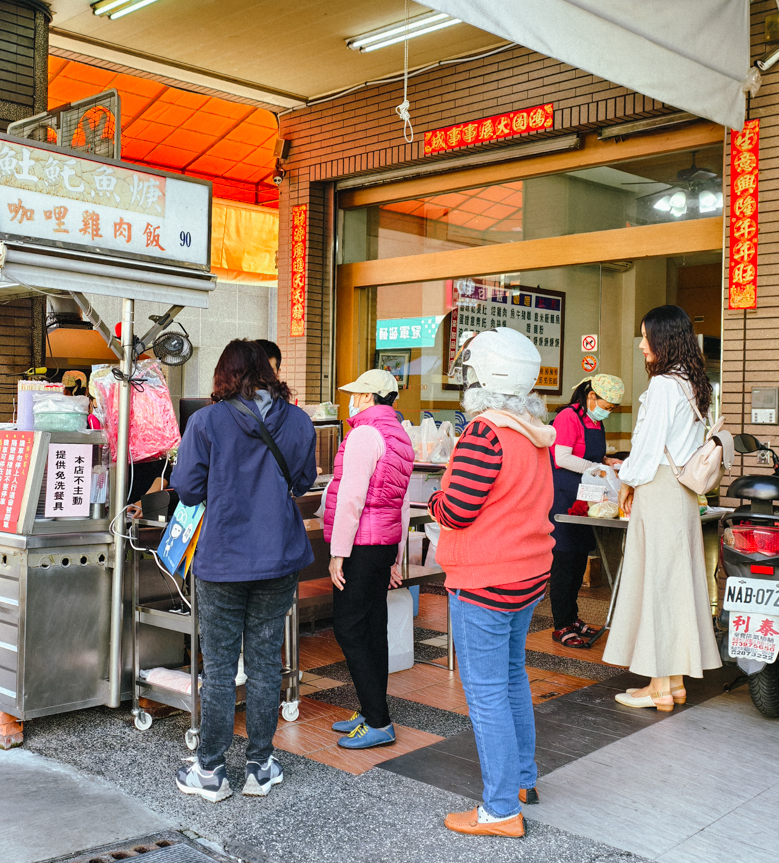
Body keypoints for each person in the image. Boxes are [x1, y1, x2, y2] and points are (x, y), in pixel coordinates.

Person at [171, 340, 316, 802]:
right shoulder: (297, 420)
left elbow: (188, 490)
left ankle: (210, 771)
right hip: (278, 558)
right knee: (264, 663)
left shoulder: (206, 421)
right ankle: (259, 766)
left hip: (222, 560)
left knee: (218, 669)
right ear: (269, 373)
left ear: (224, 373)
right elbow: (304, 482)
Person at [428, 328, 555, 838]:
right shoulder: (533, 430)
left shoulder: (485, 433)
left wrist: (435, 500)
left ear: (483, 379)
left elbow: (456, 511)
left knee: (486, 693)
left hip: (485, 579)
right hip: (527, 573)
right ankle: (522, 778)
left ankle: (501, 809)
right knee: (511, 676)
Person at [604, 305, 721, 709]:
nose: (641, 345)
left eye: (646, 337)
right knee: (675, 584)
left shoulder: (663, 386)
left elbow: (647, 448)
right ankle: (671, 682)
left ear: (664, 340)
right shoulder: (695, 382)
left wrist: (626, 480)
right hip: (685, 493)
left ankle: (658, 686)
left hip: (659, 489)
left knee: (655, 583)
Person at [320, 369, 415, 749]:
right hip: (383, 545)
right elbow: (402, 502)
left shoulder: (363, 434)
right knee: (373, 627)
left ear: (369, 397)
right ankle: (370, 707)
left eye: (356, 393)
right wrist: (396, 557)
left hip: (360, 545)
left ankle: (378, 722)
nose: (351, 399)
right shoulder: (401, 435)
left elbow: (351, 498)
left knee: (348, 628)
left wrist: (337, 553)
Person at [547, 374, 624, 647]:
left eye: (613, 408)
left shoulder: (595, 420)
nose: (609, 411)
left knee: (579, 559)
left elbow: (591, 455)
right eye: (608, 405)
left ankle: (573, 618)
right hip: (565, 495)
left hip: (587, 496)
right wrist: (595, 468)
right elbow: (562, 456)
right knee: (565, 561)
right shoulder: (568, 417)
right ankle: (561, 624)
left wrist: (606, 460)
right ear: (591, 396)